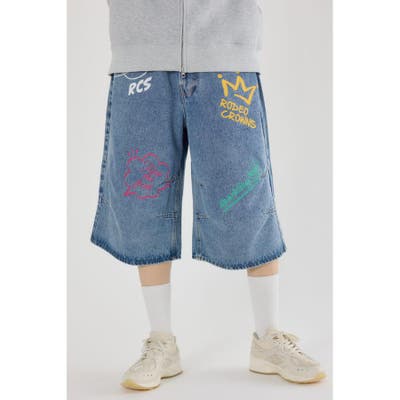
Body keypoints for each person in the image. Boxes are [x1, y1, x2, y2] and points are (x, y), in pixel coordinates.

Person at [91, 0, 326, 390]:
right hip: (141, 57)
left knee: (247, 198)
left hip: (228, 55)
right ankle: (161, 341)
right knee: (143, 200)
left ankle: (268, 337)